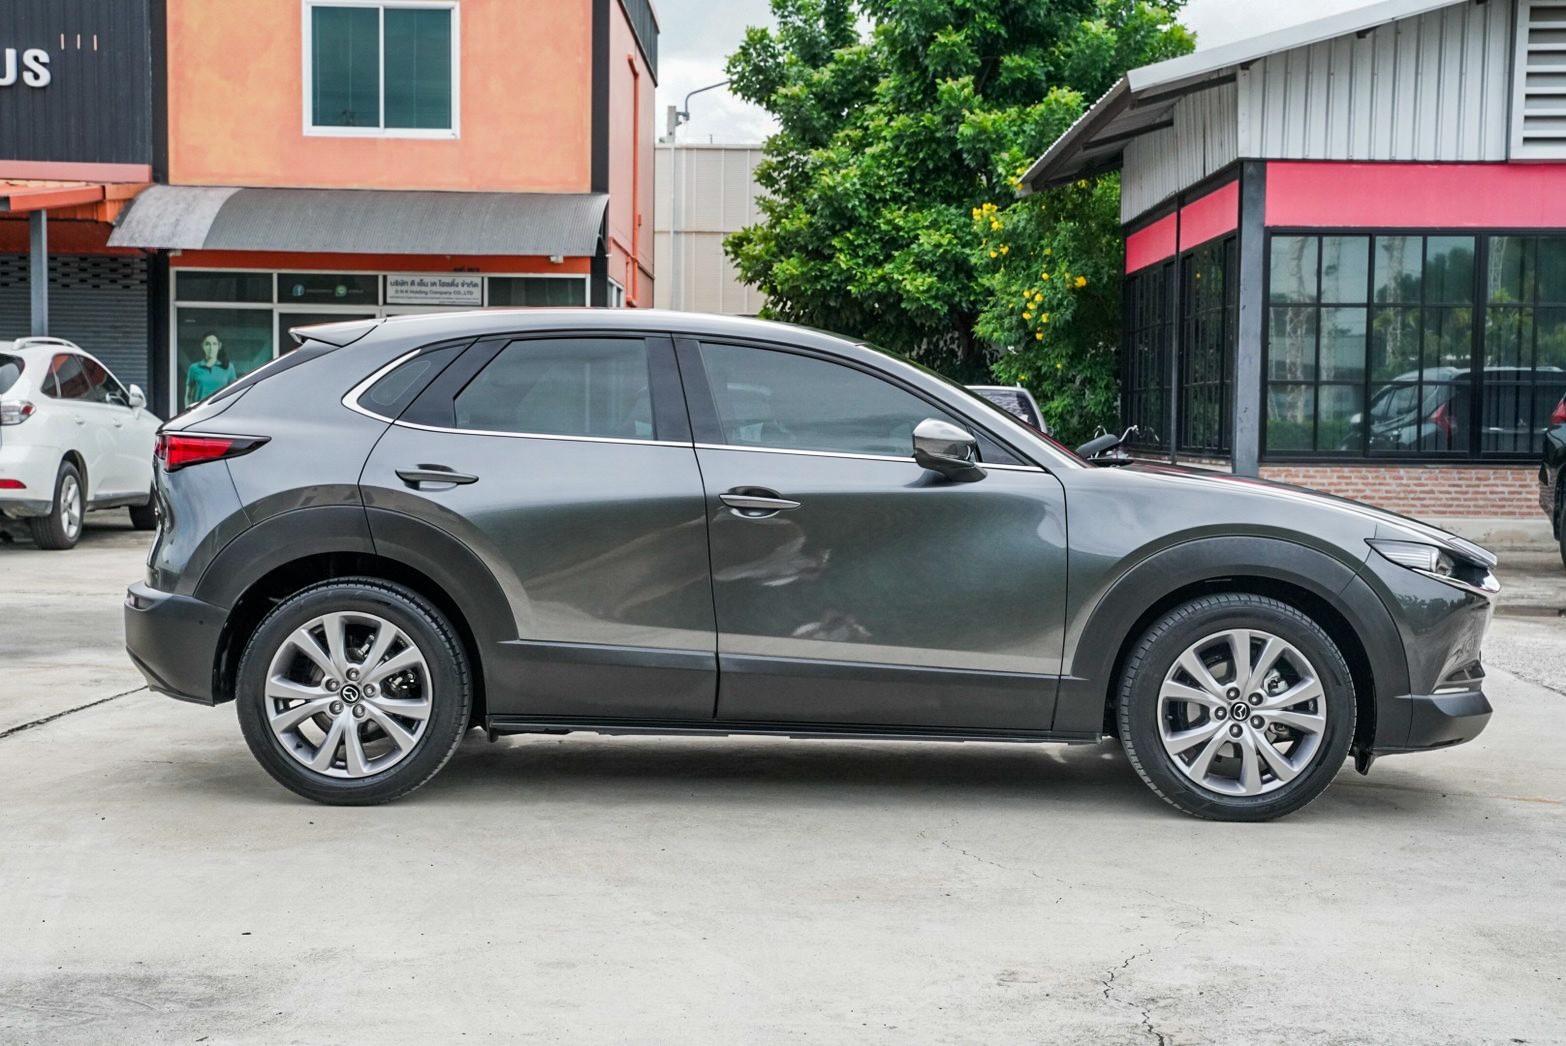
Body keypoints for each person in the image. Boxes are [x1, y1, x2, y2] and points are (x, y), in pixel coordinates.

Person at [184, 331, 237, 407]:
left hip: (221, 410)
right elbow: (188, 396)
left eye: (214, 344)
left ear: (219, 346)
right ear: (202, 346)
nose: (211, 348)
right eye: (207, 344)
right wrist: (189, 411)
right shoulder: (194, 368)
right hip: (200, 411)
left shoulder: (229, 367)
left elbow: (234, 393)